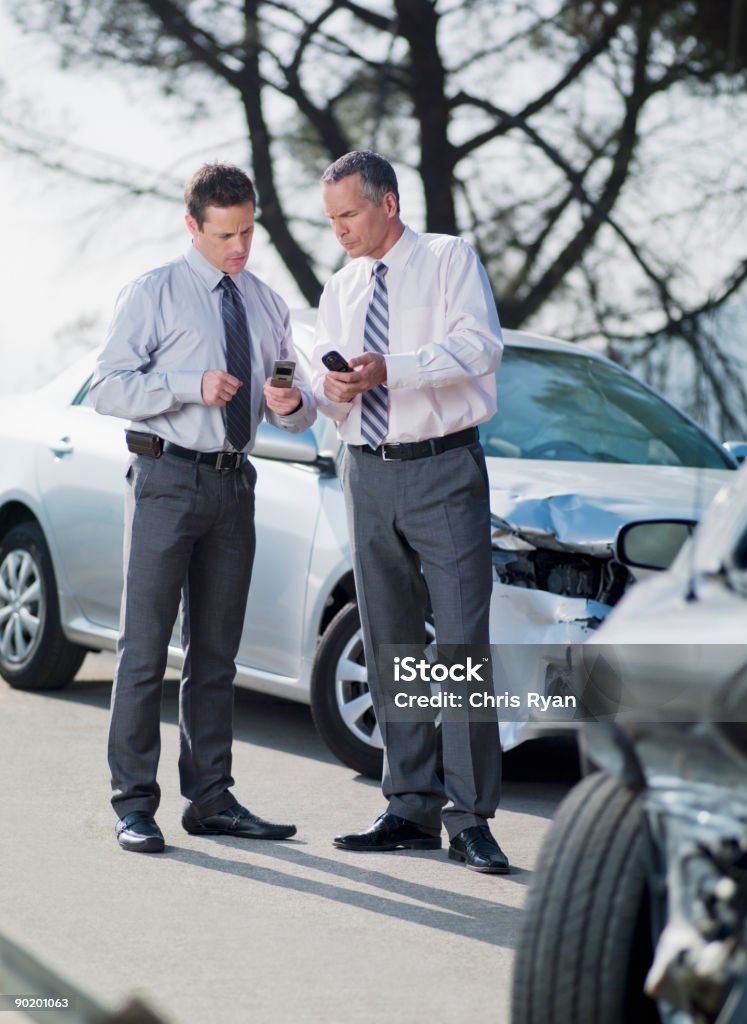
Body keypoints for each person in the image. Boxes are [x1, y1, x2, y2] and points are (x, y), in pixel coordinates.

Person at [91, 162, 316, 853]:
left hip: (233, 484)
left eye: (247, 232)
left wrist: (291, 402)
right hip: (165, 478)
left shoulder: (267, 302)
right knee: (143, 646)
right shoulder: (155, 291)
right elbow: (107, 388)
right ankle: (134, 805)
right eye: (225, 235)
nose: (239, 248)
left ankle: (210, 799)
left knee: (217, 653)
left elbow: (293, 397)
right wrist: (190, 384)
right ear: (193, 226)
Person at [311, 151, 509, 874]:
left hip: (443, 469)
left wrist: (389, 368)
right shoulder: (340, 286)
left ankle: (470, 817)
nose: (340, 231)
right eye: (331, 219)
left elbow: (479, 346)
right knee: (390, 638)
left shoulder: (450, 259)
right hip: (364, 471)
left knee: (459, 646)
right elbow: (329, 395)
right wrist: (322, 390)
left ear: (388, 204)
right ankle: (408, 807)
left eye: (350, 215)